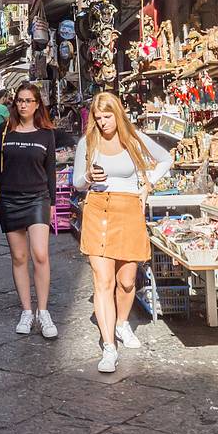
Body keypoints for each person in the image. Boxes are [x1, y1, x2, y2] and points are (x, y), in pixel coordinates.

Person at [74, 91, 170, 373]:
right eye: (98, 118)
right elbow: (78, 181)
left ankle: (122, 323)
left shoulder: (133, 139)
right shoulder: (87, 143)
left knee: (127, 281)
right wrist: (89, 177)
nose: (103, 123)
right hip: (98, 209)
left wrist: (147, 183)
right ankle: (108, 346)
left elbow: (165, 159)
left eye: (107, 117)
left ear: (118, 114)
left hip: (128, 210)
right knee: (102, 281)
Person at [0, 83, 60, 338]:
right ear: (15, 104)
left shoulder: (46, 133)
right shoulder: (6, 131)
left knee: (40, 254)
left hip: (38, 197)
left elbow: (50, 171)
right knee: (19, 258)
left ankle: (44, 311)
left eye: (28, 100)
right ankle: (26, 311)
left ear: (38, 104)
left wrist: (52, 204)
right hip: (9, 199)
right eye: (19, 100)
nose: (23, 104)